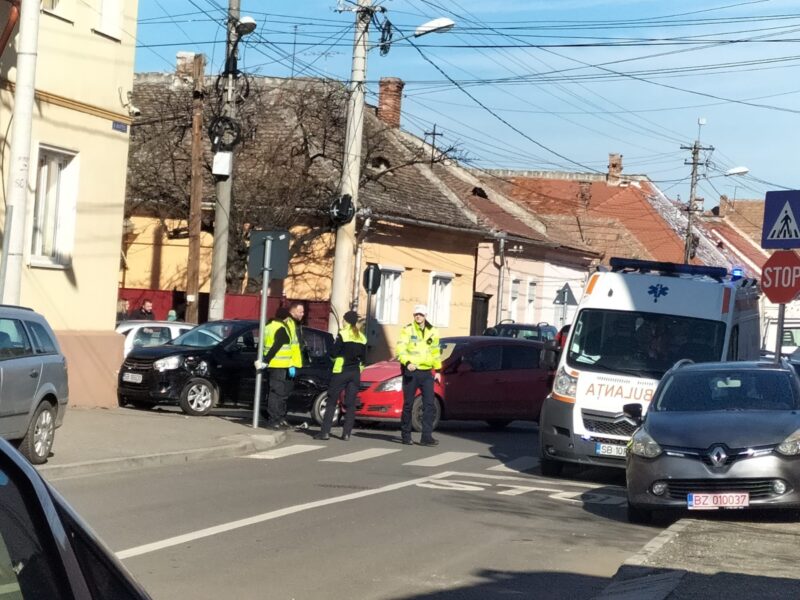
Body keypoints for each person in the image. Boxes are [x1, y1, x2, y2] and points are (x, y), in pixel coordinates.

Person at [315, 311, 366, 441]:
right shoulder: (362, 337)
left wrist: (334, 359)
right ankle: (346, 434)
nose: (342, 322)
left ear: (347, 321)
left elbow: (333, 352)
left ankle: (325, 432)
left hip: (341, 371)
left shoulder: (343, 334)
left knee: (332, 401)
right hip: (355, 373)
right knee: (350, 404)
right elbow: (364, 359)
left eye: (344, 319)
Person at [396, 304, 442, 447]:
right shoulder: (407, 330)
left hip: (427, 372)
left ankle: (426, 437)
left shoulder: (433, 331)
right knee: (408, 404)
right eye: (416, 314)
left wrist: (438, 371)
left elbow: (435, 352)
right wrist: (407, 362)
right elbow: (401, 349)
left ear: (425, 316)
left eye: (420, 315)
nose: (418, 317)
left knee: (429, 404)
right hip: (412, 371)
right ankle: (406, 435)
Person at [260, 302, 304, 430]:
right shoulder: (282, 327)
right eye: (300, 311)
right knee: (277, 394)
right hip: (280, 364)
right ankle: (274, 420)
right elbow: (278, 346)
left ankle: (277, 419)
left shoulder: (269, 326)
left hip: (279, 364)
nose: (302, 314)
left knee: (278, 393)